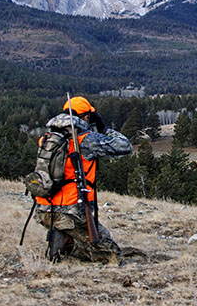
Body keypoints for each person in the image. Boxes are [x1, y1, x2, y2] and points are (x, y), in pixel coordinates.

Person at [34, 96, 133, 264]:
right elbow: (125, 146)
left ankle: (62, 239)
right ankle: (66, 243)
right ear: (86, 117)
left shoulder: (47, 139)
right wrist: (104, 128)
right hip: (72, 211)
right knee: (113, 256)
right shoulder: (85, 140)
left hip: (44, 208)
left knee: (72, 227)